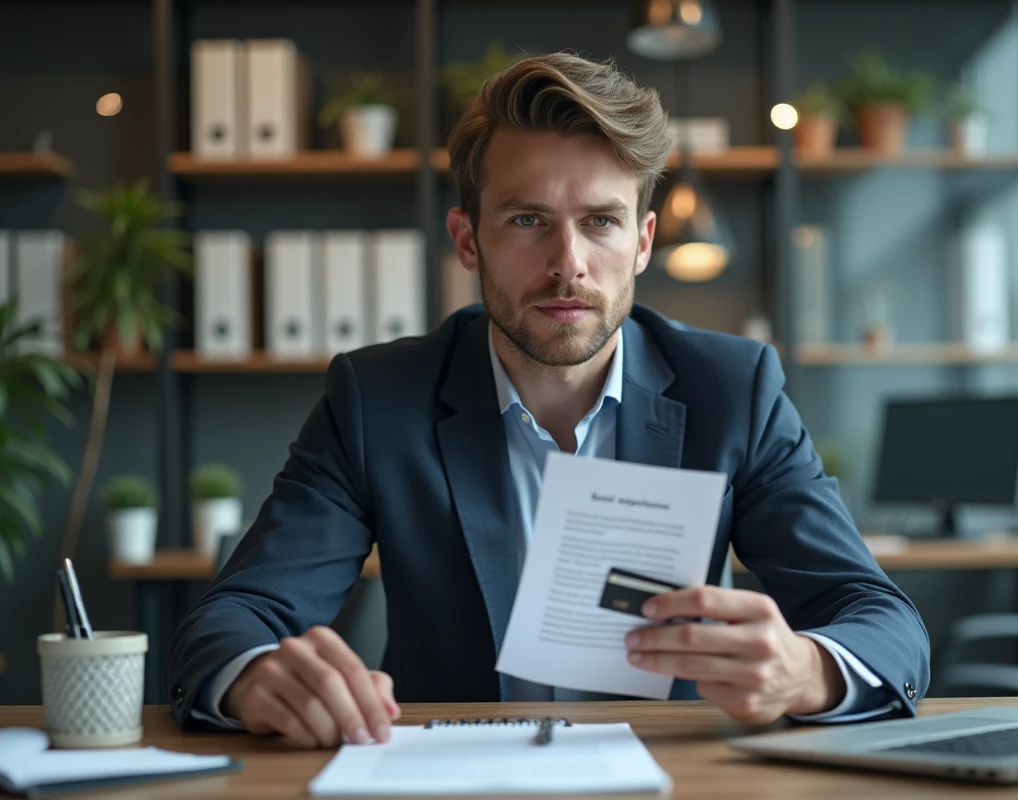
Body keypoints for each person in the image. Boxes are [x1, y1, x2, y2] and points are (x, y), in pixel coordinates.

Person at [166, 52, 930, 749]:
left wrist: (809, 671)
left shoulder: (734, 390)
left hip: (681, 775)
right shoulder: (377, 400)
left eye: (600, 222)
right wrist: (256, 677)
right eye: (528, 220)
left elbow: (882, 621)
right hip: (457, 781)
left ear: (643, 240)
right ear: (468, 241)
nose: (569, 266)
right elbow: (231, 620)